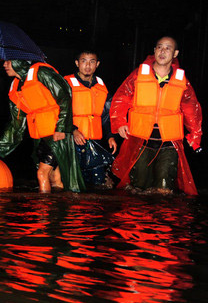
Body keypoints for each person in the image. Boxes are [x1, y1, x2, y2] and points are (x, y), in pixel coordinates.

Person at [110, 36, 202, 194]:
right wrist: (119, 122)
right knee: (137, 189)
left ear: (175, 53)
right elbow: (121, 98)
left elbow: (191, 108)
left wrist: (195, 135)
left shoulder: (181, 80)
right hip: (141, 141)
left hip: (169, 143)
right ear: (154, 50)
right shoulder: (138, 75)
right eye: (159, 47)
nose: (162, 51)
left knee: (164, 190)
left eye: (168, 48)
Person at [0, 60, 84, 192]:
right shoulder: (15, 87)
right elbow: (16, 123)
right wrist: (0, 147)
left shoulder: (42, 73)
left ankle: (43, 209)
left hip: (56, 133)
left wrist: (61, 129)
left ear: (19, 61)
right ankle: (59, 209)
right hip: (40, 136)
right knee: (54, 178)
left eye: (8, 61)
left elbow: (65, 96)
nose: (4, 64)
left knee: (42, 174)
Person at [65, 49, 117, 188]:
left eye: (92, 61)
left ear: (97, 64)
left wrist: (110, 136)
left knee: (99, 182)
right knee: (73, 182)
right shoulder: (66, 83)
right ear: (77, 63)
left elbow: (106, 115)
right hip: (71, 140)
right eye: (83, 61)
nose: (87, 65)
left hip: (94, 142)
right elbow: (59, 111)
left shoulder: (102, 86)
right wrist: (73, 130)